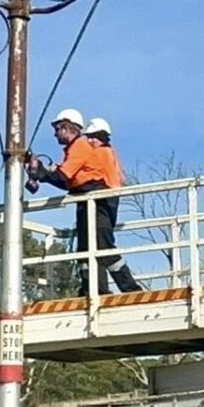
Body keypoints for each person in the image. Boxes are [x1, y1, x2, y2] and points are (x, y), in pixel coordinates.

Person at [29, 108, 112, 295]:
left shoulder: (79, 146)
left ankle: (114, 288)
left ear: (66, 128)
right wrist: (43, 173)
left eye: (57, 129)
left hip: (94, 198)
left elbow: (64, 176)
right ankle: (90, 288)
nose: (55, 134)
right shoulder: (74, 149)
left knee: (98, 245)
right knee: (86, 247)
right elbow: (67, 181)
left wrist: (42, 173)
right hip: (86, 198)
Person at [82, 117, 142, 293]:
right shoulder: (110, 153)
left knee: (103, 245)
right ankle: (96, 288)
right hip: (107, 201)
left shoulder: (101, 153)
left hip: (102, 201)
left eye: (92, 137)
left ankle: (128, 287)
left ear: (100, 137)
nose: (89, 141)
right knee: (93, 247)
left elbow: (86, 177)